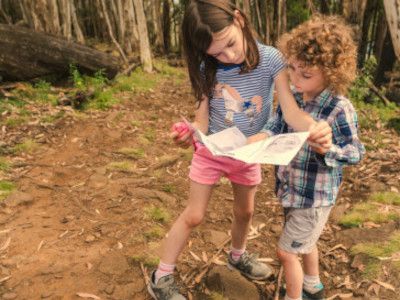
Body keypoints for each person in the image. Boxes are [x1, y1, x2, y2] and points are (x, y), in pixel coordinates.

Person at [147, 1, 331, 299]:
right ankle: (162, 275)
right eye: (217, 53)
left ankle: (237, 255)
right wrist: (190, 133)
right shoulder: (208, 68)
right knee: (194, 215)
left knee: (245, 211)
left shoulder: (272, 60)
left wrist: (313, 127)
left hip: (249, 151)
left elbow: (290, 111)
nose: (229, 55)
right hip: (212, 152)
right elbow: (202, 121)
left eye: (230, 44)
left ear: (239, 19)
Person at [248, 15, 365, 300]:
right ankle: (313, 285)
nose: (295, 80)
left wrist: (328, 151)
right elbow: (277, 123)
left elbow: (355, 152)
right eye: (292, 69)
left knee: (286, 252)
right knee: (305, 244)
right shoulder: (295, 98)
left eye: (306, 74)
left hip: (314, 198)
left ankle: (295, 296)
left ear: (332, 72)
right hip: (291, 189)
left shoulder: (340, 109)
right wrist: (261, 136)